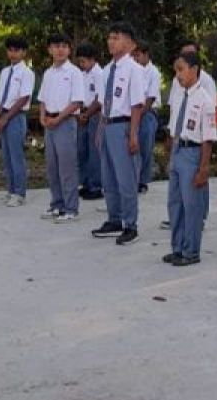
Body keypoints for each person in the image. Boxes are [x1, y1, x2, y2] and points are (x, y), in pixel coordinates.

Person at [91, 22, 145, 245]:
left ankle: (130, 224)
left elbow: (136, 105)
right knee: (108, 177)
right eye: (110, 37)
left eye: (117, 37)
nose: (111, 41)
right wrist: (99, 130)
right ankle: (114, 219)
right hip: (107, 125)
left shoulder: (134, 70)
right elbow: (104, 103)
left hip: (123, 126)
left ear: (130, 43)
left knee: (126, 179)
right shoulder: (106, 71)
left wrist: (133, 135)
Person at [163, 51, 217, 266]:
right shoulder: (179, 95)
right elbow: (173, 128)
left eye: (181, 70)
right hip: (178, 149)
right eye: (176, 70)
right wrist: (171, 153)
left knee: (191, 205)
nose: (178, 75)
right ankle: (177, 247)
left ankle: (191, 251)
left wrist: (204, 168)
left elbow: (208, 138)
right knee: (175, 203)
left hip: (193, 152)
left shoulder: (205, 99)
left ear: (194, 70)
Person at [38, 33, 85, 223]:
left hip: (65, 122)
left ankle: (71, 208)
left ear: (69, 50)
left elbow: (77, 101)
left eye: (64, 46)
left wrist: (58, 118)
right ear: (49, 49)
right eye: (56, 46)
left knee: (67, 167)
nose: (60, 50)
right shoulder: (48, 73)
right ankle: (56, 204)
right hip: (49, 123)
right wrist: (42, 116)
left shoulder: (74, 72)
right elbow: (42, 99)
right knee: (52, 166)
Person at [0, 36, 34, 207]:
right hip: (3, 114)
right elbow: (0, 95)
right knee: (6, 156)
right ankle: (10, 190)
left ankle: (19, 193)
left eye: (17, 50)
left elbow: (24, 98)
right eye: (10, 50)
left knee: (16, 155)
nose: (13, 53)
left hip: (15, 116)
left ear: (24, 52)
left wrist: (6, 117)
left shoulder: (27, 73)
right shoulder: (4, 72)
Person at [131, 41, 162, 194]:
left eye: (137, 55)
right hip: (134, 112)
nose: (135, 58)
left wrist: (139, 114)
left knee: (145, 146)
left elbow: (150, 98)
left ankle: (143, 181)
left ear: (146, 55)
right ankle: (134, 178)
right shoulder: (133, 70)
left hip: (147, 112)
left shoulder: (153, 72)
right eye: (133, 55)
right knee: (134, 147)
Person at [75, 43, 105, 200]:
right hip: (83, 114)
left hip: (95, 115)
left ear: (93, 59)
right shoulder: (83, 74)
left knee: (95, 152)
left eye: (84, 61)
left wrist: (87, 114)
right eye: (79, 62)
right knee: (82, 150)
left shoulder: (99, 74)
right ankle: (85, 183)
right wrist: (81, 112)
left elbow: (100, 99)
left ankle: (96, 185)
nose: (82, 65)